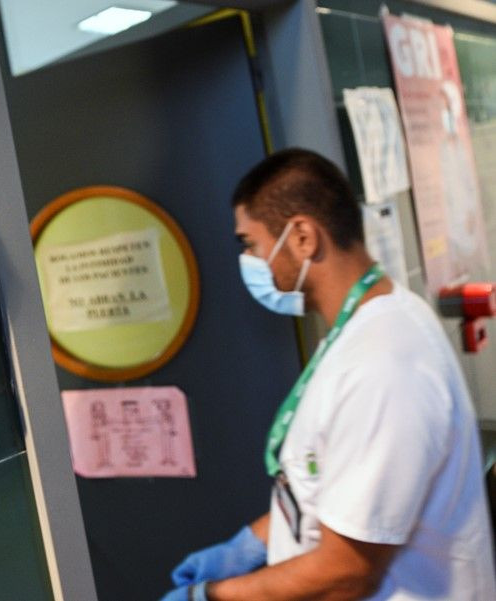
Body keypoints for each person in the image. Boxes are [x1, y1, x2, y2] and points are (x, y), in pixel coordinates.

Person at [161, 149, 496, 600]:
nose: (250, 260)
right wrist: (251, 543)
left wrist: (213, 595)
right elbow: (328, 491)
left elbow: (349, 571)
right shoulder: (359, 331)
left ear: (302, 236)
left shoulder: (383, 362)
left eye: (251, 244)